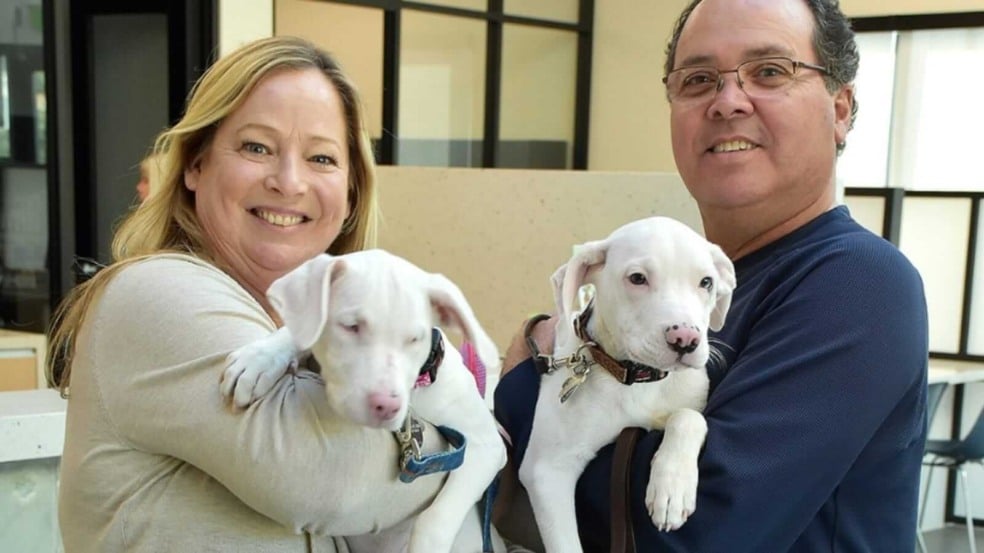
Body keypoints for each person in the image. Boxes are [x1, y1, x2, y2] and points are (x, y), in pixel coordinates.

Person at [492, 0, 929, 551]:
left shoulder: (858, 284)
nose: (727, 102)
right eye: (698, 80)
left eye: (770, 71)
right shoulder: (706, 278)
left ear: (840, 108)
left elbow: (701, 529)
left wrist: (525, 374)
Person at [47, 36, 451, 553]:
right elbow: (324, 477)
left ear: (351, 192)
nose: (288, 182)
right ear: (195, 165)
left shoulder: (326, 333)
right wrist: (476, 451)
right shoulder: (158, 291)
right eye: (256, 147)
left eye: (322, 158)